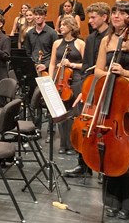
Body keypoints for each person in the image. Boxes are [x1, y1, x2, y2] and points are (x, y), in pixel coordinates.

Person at [94, 0, 129, 220]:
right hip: (111, 102)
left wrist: (125, 72)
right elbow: (98, 70)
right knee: (110, 152)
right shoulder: (106, 40)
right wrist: (107, 73)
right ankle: (112, 200)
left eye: (121, 12)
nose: (116, 15)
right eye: (114, 12)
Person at [64, 1, 110, 178]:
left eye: (93, 17)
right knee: (84, 125)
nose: (89, 20)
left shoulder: (111, 38)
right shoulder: (90, 39)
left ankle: (104, 164)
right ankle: (83, 164)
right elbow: (86, 67)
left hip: (108, 87)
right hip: (90, 87)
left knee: (103, 127)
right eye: (89, 17)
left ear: (104, 17)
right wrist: (84, 90)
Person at [48, 16, 84, 155]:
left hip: (75, 80)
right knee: (61, 113)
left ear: (71, 26)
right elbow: (52, 63)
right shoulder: (57, 43)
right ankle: (63, 144)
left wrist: (71, 64)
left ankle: (73, 144)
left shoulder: (80, 43)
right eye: (60, 25)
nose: (60, 27)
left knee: (73, 114)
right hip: (60, 81)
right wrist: (51, 80)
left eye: (63, 25)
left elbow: (85, 65)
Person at [24, 4, 58, 76]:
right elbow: (28, 52)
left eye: (41, 15)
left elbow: (56, 54)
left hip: (47, 69)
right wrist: (33, 63)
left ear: (45, 16)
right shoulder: (29, 33)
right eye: (36, 15)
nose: (38, 17)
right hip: (33, 68)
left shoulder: (52, 33)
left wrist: (46, 65)